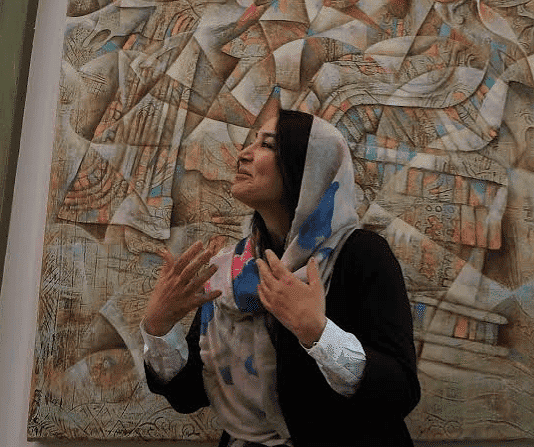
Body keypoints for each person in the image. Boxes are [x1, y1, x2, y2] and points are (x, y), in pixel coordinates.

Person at [141, 110, 421, 447]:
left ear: (309, 168)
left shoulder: (360, 255)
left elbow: (400, 391)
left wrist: (319, 335)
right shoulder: (230, 272)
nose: (244, 153)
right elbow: (188, 395)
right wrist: (159, 328)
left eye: (267, 145)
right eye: (252, 142)